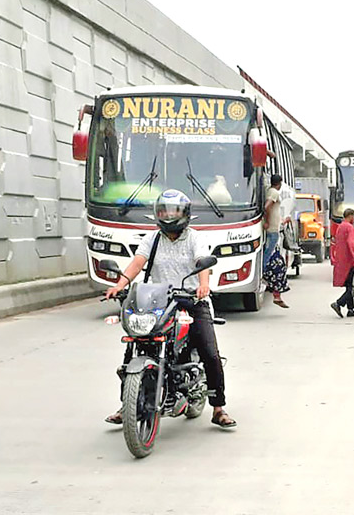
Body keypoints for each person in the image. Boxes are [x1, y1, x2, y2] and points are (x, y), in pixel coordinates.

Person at [103, 189, 236, 428]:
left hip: (191, 300)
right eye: (164, 210)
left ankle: (218, 408)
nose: (168, 215)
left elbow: (201, 262)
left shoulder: (194, 238)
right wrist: (120, 285)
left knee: (210, 352)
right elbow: (137, 264)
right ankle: (128, 405)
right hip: (159, 299)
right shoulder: (151, 239)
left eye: (174, 211)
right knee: (135, 346)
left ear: (185, 214)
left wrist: (203, 285)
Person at [331, 208, 354, 318]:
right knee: (352, 287)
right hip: (349, 261)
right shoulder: (349, 228)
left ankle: (351, 309)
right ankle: (338, 303)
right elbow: (351, 244)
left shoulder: (341, 226)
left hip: (341, 260)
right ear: (350, 216)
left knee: (349, 285)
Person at [263, 174, 287, 263]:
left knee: (268, 251)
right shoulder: (274, 192)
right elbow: (267, 207)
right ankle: (264, 271)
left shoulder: (269, 190)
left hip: (272, 227)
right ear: (279, 183)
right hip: (272, 229)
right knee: (268, 252)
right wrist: (267, 222)